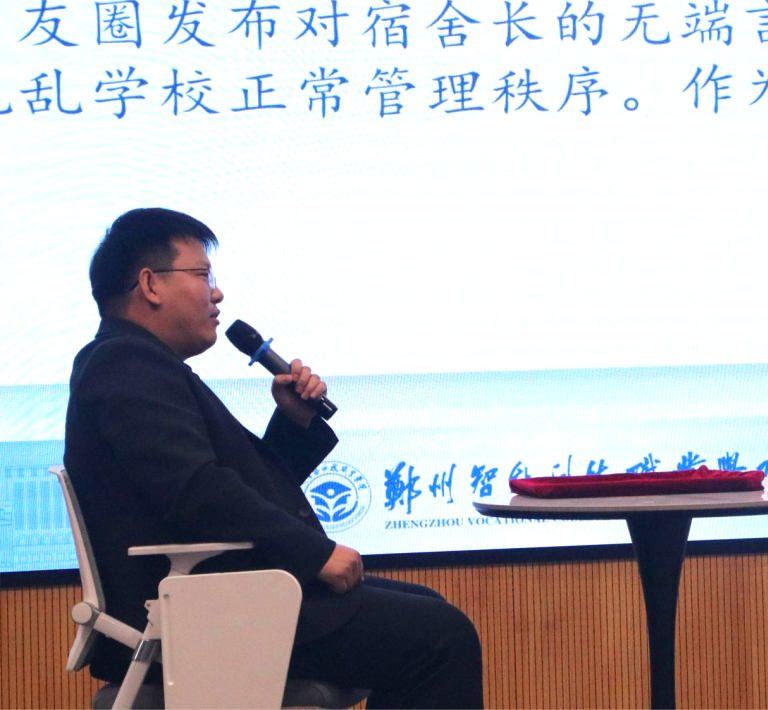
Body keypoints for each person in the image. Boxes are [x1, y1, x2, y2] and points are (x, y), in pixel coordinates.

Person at [63, 208, 483, 710]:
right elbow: (196, 493)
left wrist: (292, 421)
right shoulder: (125, 363)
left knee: (429, 612)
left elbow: (232, 486)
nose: (217, 293)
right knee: (440, 637)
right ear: (151, 284)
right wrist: (313, 554)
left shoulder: (138, 363)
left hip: (222, 602)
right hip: (201, 617)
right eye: (203, 275)